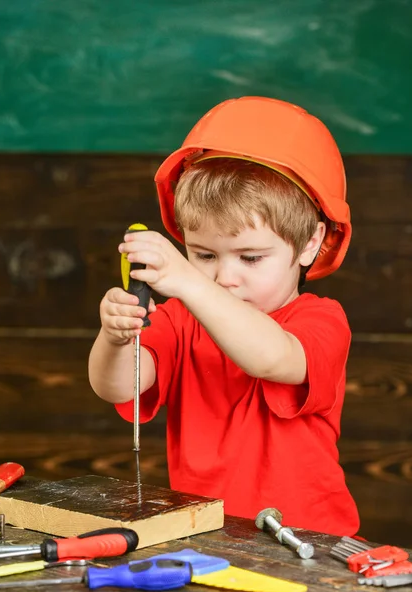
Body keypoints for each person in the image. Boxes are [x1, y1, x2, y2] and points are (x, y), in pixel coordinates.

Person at [88, 96, 359, 536]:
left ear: (309, 244)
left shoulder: (322, 321)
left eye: (250, 258)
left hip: (313, 540)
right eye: (204, 254)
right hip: (209, 536)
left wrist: (189, 278)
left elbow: (271, 357)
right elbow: (119, 386)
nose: (224, 277)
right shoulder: (179, 319)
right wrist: (114, 338)